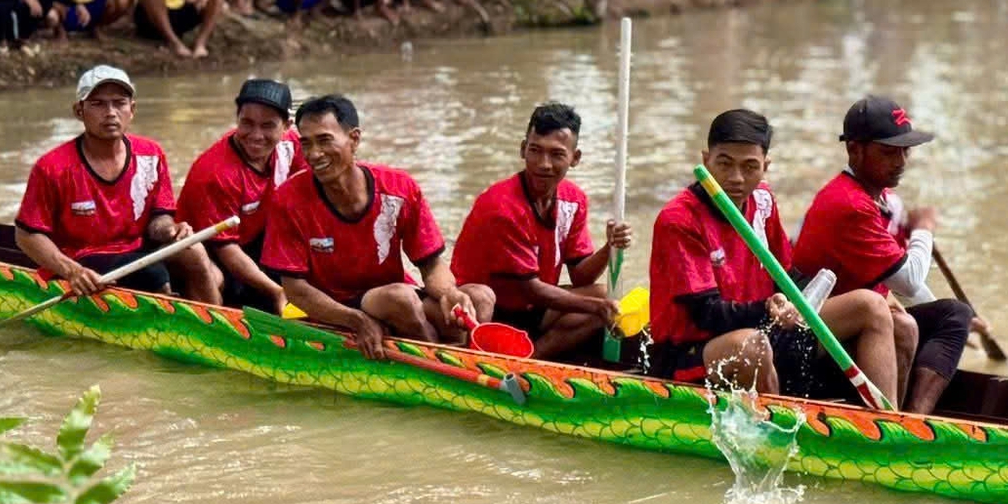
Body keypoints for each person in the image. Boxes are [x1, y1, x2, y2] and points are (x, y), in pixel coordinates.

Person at [649, 109, 898, 397]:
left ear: (765, 166)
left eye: (750, 167)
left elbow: (786, 275)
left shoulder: (763, 200)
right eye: (725, 164)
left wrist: (798, 301)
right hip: (690, 352)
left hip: (761, 325)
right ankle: (778, 423)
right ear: (706, 160)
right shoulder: (679, 219)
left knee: (872, 305)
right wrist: (767, 309)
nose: (736, 178)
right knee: (753, 346)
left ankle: (888, 419)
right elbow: (706, 314)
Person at [263, 94, 485, 357]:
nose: (314, 154)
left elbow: (431, 264)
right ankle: (444, 361)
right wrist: (357, 321)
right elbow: (295, 290)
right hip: (339, 307)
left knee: (480, 297)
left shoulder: (400, 188)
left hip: (394, 299)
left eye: (324, 140)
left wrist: (449, 293)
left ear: (354, 139)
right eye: (306, 143)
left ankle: (470, 356)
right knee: (400, 299)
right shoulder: (288, 200)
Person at [791, 96, 974, 415]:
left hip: (861, 324)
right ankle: (895, 420)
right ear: (854, 150)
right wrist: (924, 230)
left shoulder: (881, 199)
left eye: (906, 151)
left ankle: (912, 419)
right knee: (907, 323)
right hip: (815, 336)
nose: (901, 162)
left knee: (952, 315)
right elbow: (909, 279)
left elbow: (906, 285)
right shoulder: (849, 205)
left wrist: (950, 315)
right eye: (889, 152)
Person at [13, 65, 223, 302]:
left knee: (195, 252)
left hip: (136, 252)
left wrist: (170, 230)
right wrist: (72, 271)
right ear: (79, 111)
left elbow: (159, 218)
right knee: (151, 274)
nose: (111, 112)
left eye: (119, 103)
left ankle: (216, 317)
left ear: (132, 110)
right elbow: (26, 235)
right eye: (98, 104)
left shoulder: (151, 154)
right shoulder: (52, 167)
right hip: (83, 261)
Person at [451, 103, 632, 361]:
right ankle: (507, 362)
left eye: (557, 154)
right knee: (599, 304)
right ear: (523, 149)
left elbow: (581, 275)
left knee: (604, 294)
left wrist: (609, 247)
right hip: (486, 310)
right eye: (535, 151)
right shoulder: (502, 207)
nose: (543, 164)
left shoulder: (574, 199)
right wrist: (598, 308)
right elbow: (531, 289)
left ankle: (531, 359)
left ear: (575, 158)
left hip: (533, 308)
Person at [178, 79, 299, 312]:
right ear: (237, 119)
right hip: (213, 253)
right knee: (217, 280)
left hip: (254, 238)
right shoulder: (214, 173)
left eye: (268, 126)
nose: (256, 135)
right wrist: (277, 291)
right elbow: (227, 249)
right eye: (247, 123)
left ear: (287, 126)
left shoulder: (293, 145)